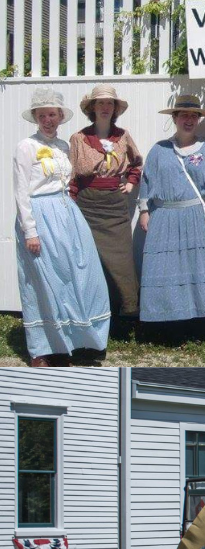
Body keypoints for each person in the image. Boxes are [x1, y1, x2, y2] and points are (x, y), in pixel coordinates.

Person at [12, 88, 111, 367]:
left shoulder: (64, 147)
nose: (48, 120)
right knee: (43, 281)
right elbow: (21, 192)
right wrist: (30, 230)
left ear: (59, 117)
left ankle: (79, 341)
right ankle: (43, 349)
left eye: (52, 114)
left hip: (66, 213)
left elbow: (68, 183)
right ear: (35, 117)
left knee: (77, 274)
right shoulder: (26, 146)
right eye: (42, 115)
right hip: (39, 214)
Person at [136, 96, 205, 329]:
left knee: (198, 266)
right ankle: (169, 320)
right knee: (168, 266)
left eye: (193, 116)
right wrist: (143, 210)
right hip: (166, 218)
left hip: (198, 217)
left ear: (199, 119)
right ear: (174, 118)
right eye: (183, 116)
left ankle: (203, 318)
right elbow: (147, 181)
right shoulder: (159, 150)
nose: (189, 120)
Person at [68, 85, 143, 323]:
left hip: (114, 206)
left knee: (121, 260)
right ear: (92, 107)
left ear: (115, 108)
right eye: (100, 103)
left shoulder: (122, 136)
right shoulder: (78, 138)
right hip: (86, 205)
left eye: (109, 103)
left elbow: (136, 163)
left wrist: (131, 182)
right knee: (90, 261)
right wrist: (71, 205)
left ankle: (126, 311)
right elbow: (70, 176)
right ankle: (95, 314)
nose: (104, 107)